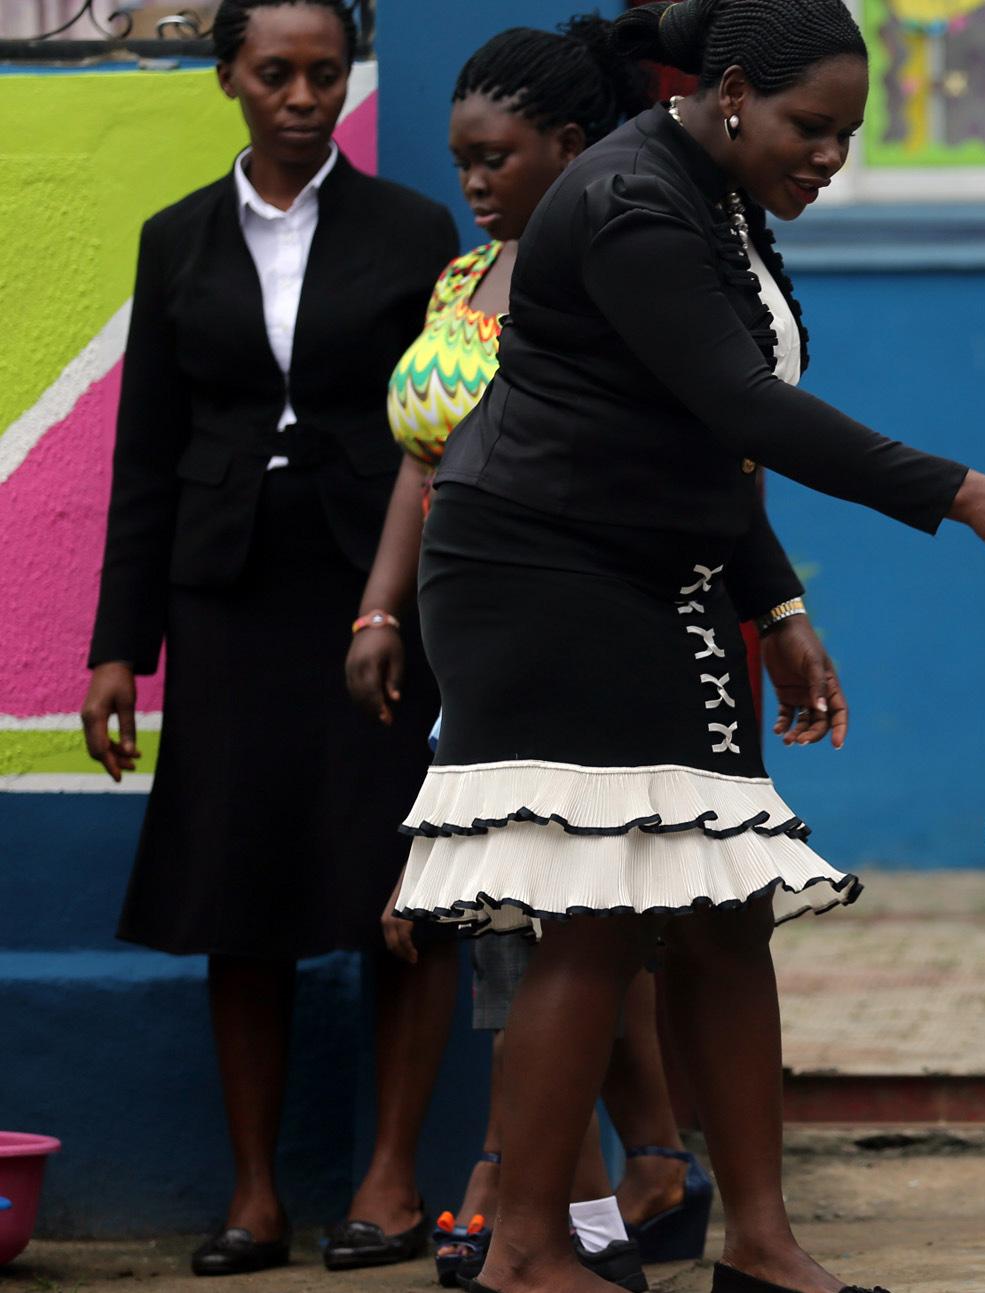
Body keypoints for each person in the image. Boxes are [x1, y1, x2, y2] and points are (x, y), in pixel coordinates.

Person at [387, 3, 985, 1292]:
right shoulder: (628, 199)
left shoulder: (713, 195)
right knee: (592, 917)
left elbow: (699, 440)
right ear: (729, 94)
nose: (829, 156)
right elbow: (739, 405)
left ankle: (762, 1248)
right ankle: (527, 1253)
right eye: (810, 127)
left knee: (723, 914)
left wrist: (773, 607)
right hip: (542, 573)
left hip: (656, 564)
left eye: (846, 135)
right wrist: (960, 491)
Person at [78, 0, 463, 1275]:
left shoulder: (411, 230)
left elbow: (446, 428)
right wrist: (116, 646)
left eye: (324, 71)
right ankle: (254, 1196)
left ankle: (391, 1181)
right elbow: (147, 450)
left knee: (397, 880)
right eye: (275, 73)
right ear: (227, 77)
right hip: (228, 596)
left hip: (377, 589)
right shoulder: (177, 238)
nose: (303, 96)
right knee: (238, 883)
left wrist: (413, 602)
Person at [340, 17, 710, 1287]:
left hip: (563, 617)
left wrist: (765, 610)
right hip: (460, 623)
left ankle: (538, 1195)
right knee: (536, 909)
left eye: (495, 156)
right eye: (459, 158)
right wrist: (379, 611)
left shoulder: (609, 274)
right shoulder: (459, 282)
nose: (474, 180)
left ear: (567, 147)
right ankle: (618, 1187)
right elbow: (419, 460)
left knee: (554, 910)